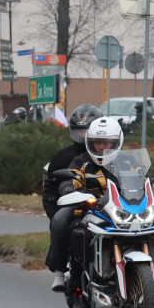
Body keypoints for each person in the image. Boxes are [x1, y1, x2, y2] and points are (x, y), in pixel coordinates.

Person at [50, 116, 122, 308]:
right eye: (98, 142)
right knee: (79, 235)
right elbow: (70, 179)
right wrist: (69, 191)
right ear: (90, 143)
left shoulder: (126, 162)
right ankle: (76, 291)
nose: (101, 147)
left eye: (106, 142)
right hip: (90, 214)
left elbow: (144, 180)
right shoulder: (81, 161)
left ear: (116, 143)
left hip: (121, 216)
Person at [43, 104, 102, 290]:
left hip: (108, 203)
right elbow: (51, 189)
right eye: (79, 132)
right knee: (60, 222)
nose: (83, 136)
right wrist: (57, 209)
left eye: (87, 132)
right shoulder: (63, 157)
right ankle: (60, 272)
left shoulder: (109, 151)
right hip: (74, 204)